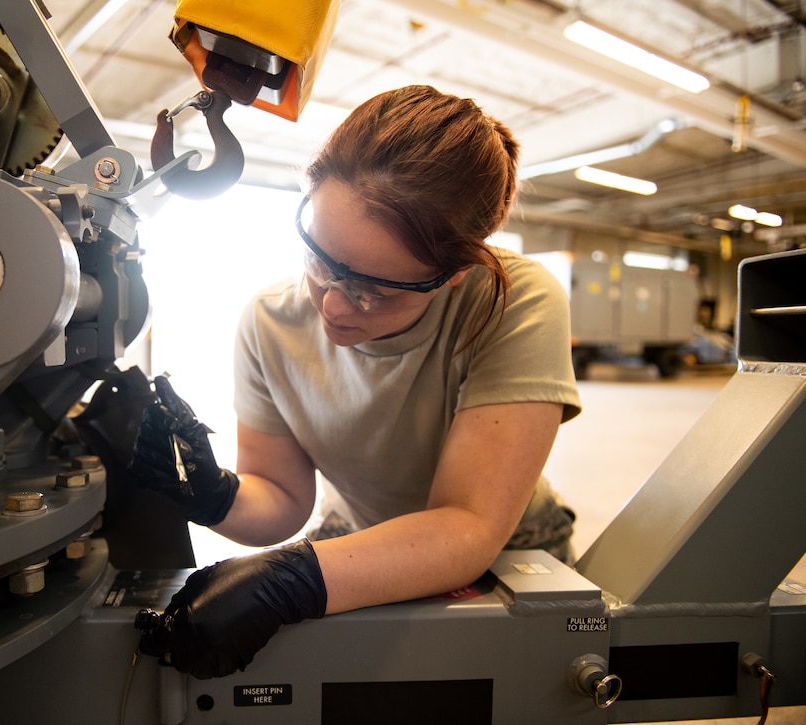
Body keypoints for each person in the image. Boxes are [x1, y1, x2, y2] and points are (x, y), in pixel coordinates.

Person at [128, 84, 582, 679]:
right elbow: (282, 499)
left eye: (376, 291)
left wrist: (292, 579)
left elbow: (468, 525)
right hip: (367, 531)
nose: (335, 307)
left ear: (454, 274)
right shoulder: (270, 320)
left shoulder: (511, 301)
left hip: (511, 543)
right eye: (320, 260)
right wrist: (212, 493)